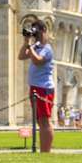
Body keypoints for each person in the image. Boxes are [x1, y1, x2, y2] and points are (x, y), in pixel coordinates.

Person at [18, 20, 55, 153]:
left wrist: (31, 48)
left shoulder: (47, 48)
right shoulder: (36, 47)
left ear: (44, 30)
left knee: (45, 121)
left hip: (44, 88)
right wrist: (26, 43)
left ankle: (46, 151)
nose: (35, 34)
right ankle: (43, 150)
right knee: (40, 121)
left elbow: (38, 61)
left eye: (37, 31)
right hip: (35, 87)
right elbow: (21, 56)